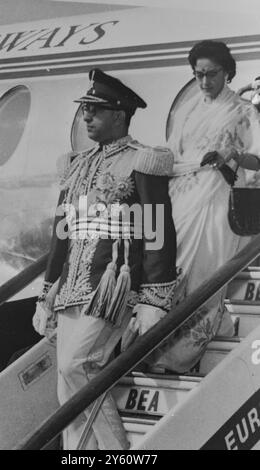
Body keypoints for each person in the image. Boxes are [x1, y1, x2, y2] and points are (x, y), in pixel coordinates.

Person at [32, 68, 177, 450]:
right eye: (84, 109)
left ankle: (118, 454)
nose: (86, 117)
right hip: (70, 291)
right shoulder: (76, 165)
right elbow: (60, 236)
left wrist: (152, 299)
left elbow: (158, 231)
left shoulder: (142, 161)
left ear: (119, 114)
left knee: (77, 368)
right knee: (68, 390)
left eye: (95, 110)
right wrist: (47, 293)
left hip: (110, 290)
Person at [151, 40, 260, 374]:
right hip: (181, 198)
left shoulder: (244, 111)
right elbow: (172, 155)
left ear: (227, 72)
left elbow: (258, 160)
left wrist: (234, 156)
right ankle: (156, 348)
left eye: (211, 74)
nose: (204, 82)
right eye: (198, 75)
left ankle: (179, 357)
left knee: (203, 276)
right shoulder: (187, 111)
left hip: (218, 203)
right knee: (172, 271)